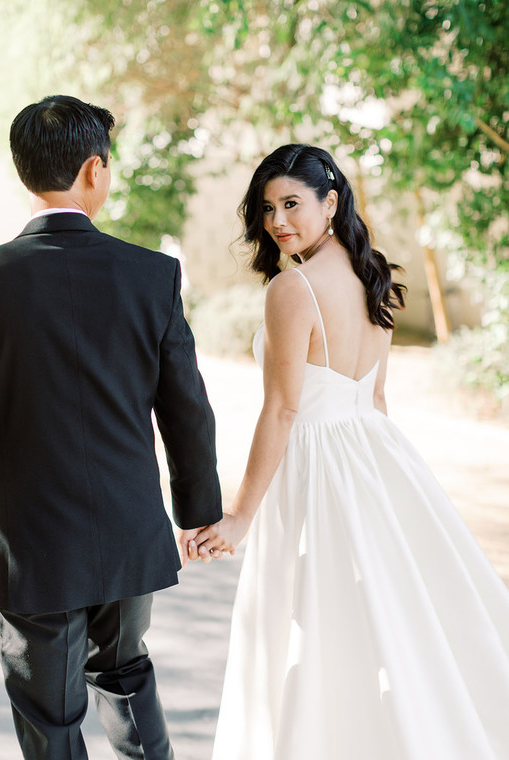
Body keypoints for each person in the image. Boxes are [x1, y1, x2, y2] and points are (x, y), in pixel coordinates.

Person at [190, 144, 509, 759]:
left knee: (315, 626)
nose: (278, 221)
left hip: (319, 468)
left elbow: (282, 409)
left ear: (330, 201)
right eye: (266, 208)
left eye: (291, 204)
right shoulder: (374, 274)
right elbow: (377, 397)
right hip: (375, 457)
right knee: (385, 621)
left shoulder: (293, 289)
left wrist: (241, 517)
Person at [0, 95, 222, 760]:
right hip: (128, 531)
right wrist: (199, 512)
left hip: (30, 544)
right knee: (126, 678)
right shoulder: (152, 276)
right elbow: (187, 407)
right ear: (95, 169)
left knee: (49, 713)